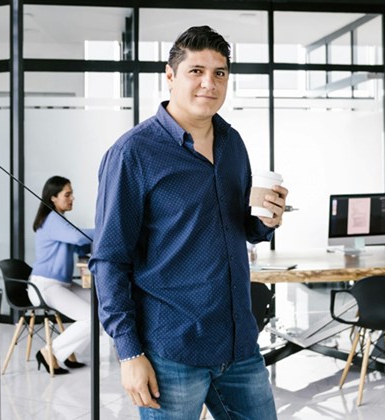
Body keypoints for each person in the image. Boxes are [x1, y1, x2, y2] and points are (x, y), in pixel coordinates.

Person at [90, 26, 288, 419]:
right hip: (172, 349)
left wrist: (267, 221)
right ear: (170, 75)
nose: (209, 84)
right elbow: (110, 259)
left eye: (219, 73)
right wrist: (129, 352)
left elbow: (240, 226)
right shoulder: (133, 153)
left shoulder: (233, 142)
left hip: (239, 344)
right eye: (196, 71)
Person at [30, 175, 95, 375]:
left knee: (100, 308)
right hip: (46, 286)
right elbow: (77, 236)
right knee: (89, 318)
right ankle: (49, 352)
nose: (72, 198)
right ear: (53, 198)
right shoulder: (52, 219)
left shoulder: (59, 221)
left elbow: (79, 244)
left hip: (61, 285)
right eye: (67, 194)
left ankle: (67, 353)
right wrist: (108, 230)